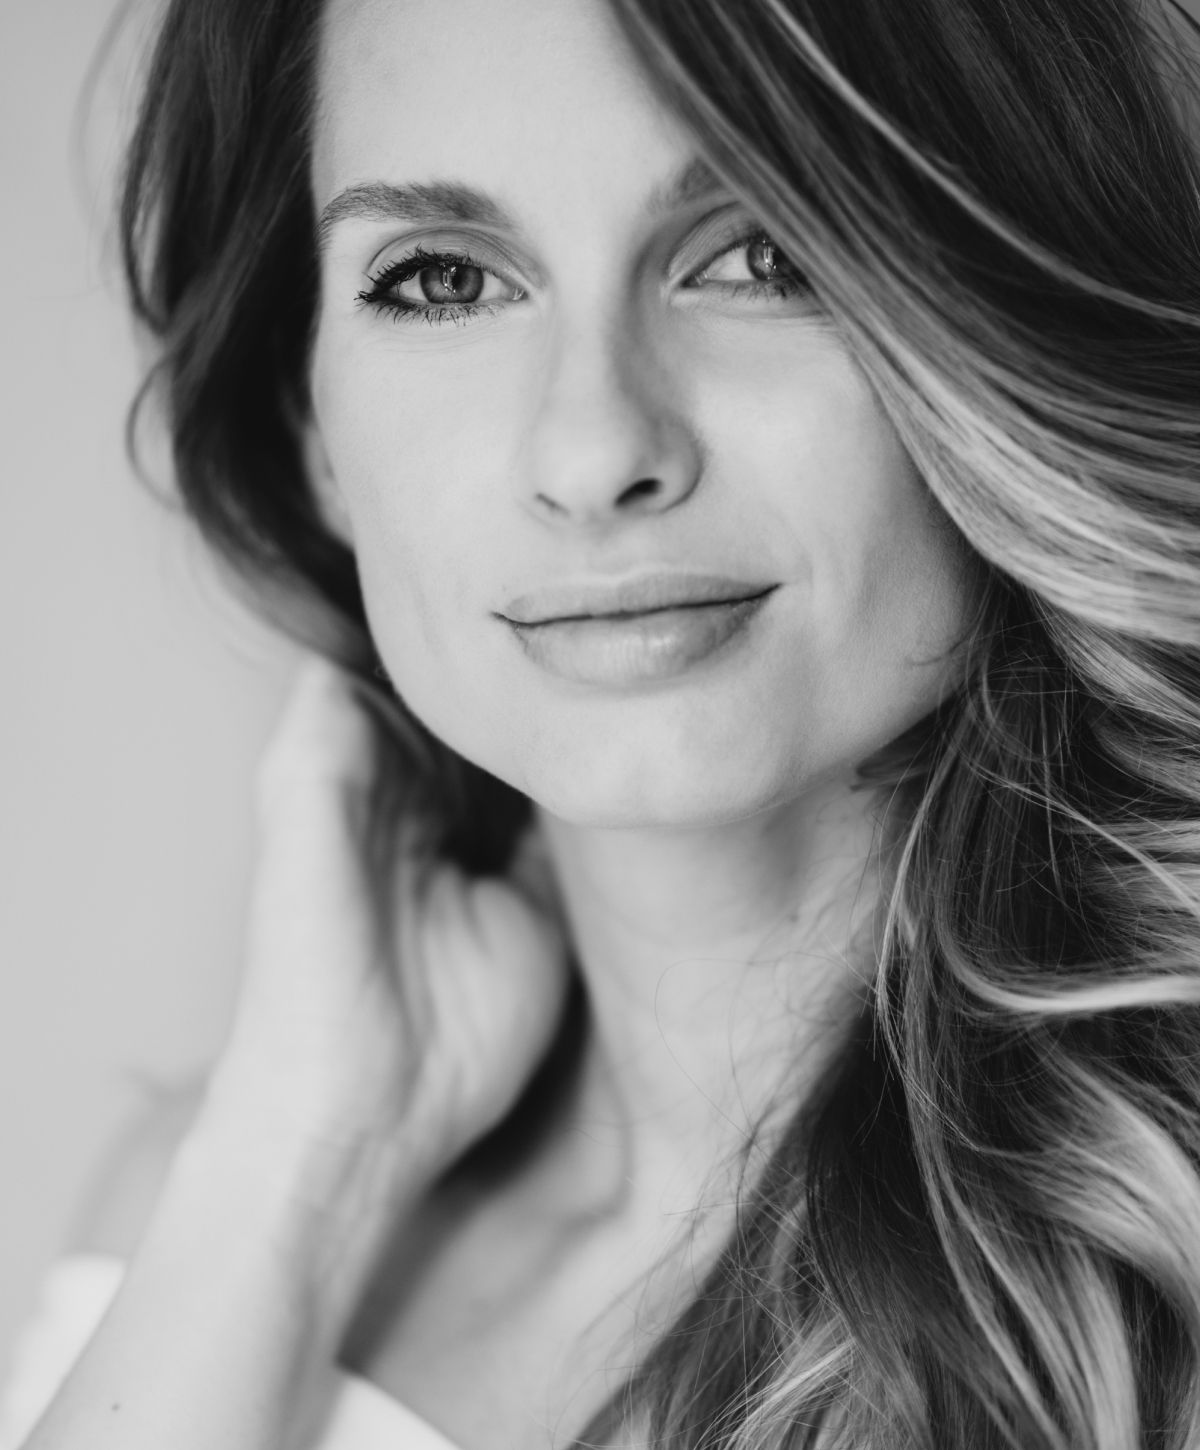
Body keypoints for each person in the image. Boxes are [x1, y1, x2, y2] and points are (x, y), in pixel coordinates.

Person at [4, 0, 1200, 1445]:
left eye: (761, 256)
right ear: (314, 429)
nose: (594, 447)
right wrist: (302, 1157)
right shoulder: (215, 1207)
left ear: (1002, 325)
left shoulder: (1160, 1270)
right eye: (442, 280)